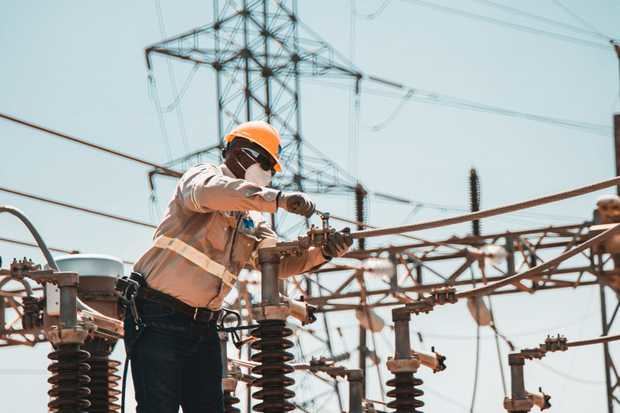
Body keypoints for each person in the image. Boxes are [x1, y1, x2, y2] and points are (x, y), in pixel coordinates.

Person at [123, 120, 352, 413]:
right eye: (267, 164)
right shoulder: (202, 178)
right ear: (241, 154)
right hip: (157, 315)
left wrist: (322, 252)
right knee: (158, 408)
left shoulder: (251, 221)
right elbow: (213, 193)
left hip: (203, 325)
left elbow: (276, 263)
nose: (269, 175)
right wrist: (277, 199)